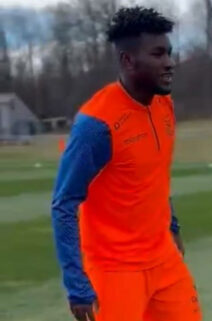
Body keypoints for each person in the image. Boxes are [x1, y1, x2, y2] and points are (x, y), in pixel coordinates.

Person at [51, 7, 201, 321]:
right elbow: (64, 203)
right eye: (158, 54)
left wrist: (172, 226)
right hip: (114, 270)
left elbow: (155, 172)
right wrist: (76, 285)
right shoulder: (96, 125)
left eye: (170, 53)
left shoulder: (164, 104)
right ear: (128, 61)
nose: (170, 63)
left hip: (164, 260)